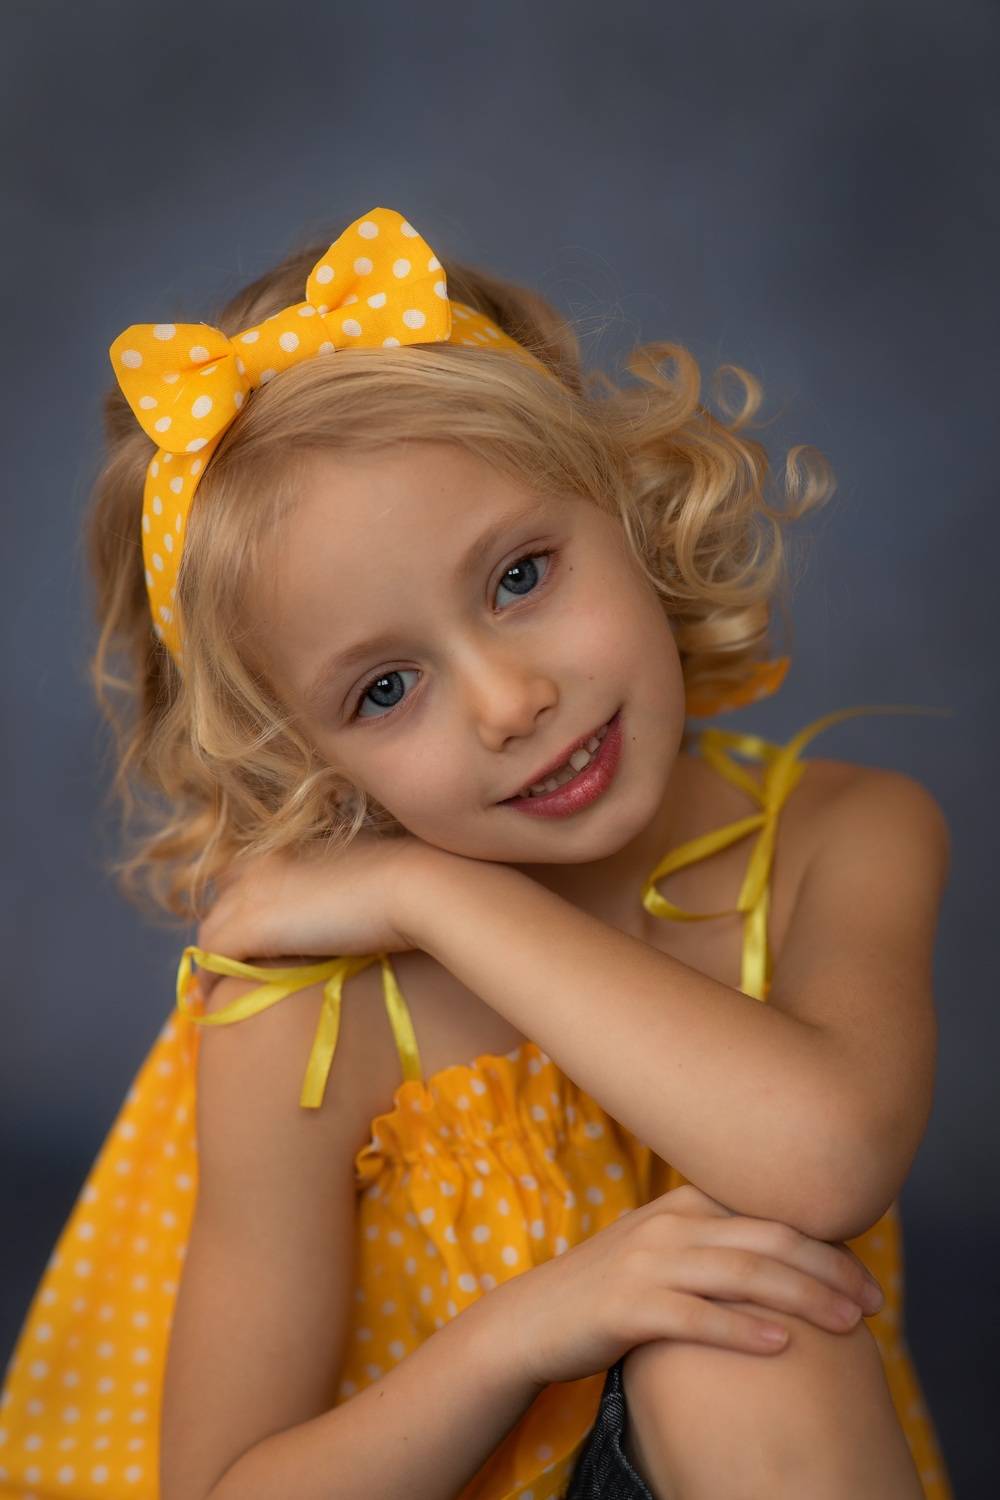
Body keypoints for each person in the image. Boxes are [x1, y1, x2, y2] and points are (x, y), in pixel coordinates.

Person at [0, 206, 954, 1500]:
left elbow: (824, 1164)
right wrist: (530, 1330)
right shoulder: (306, 1022)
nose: (511, 704)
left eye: (519, 577)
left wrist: (432, 892)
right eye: (385, 690)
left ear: (624, 504)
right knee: (725, 1312)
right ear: (302, 756)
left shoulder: (845, 833)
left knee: (742, 1337)